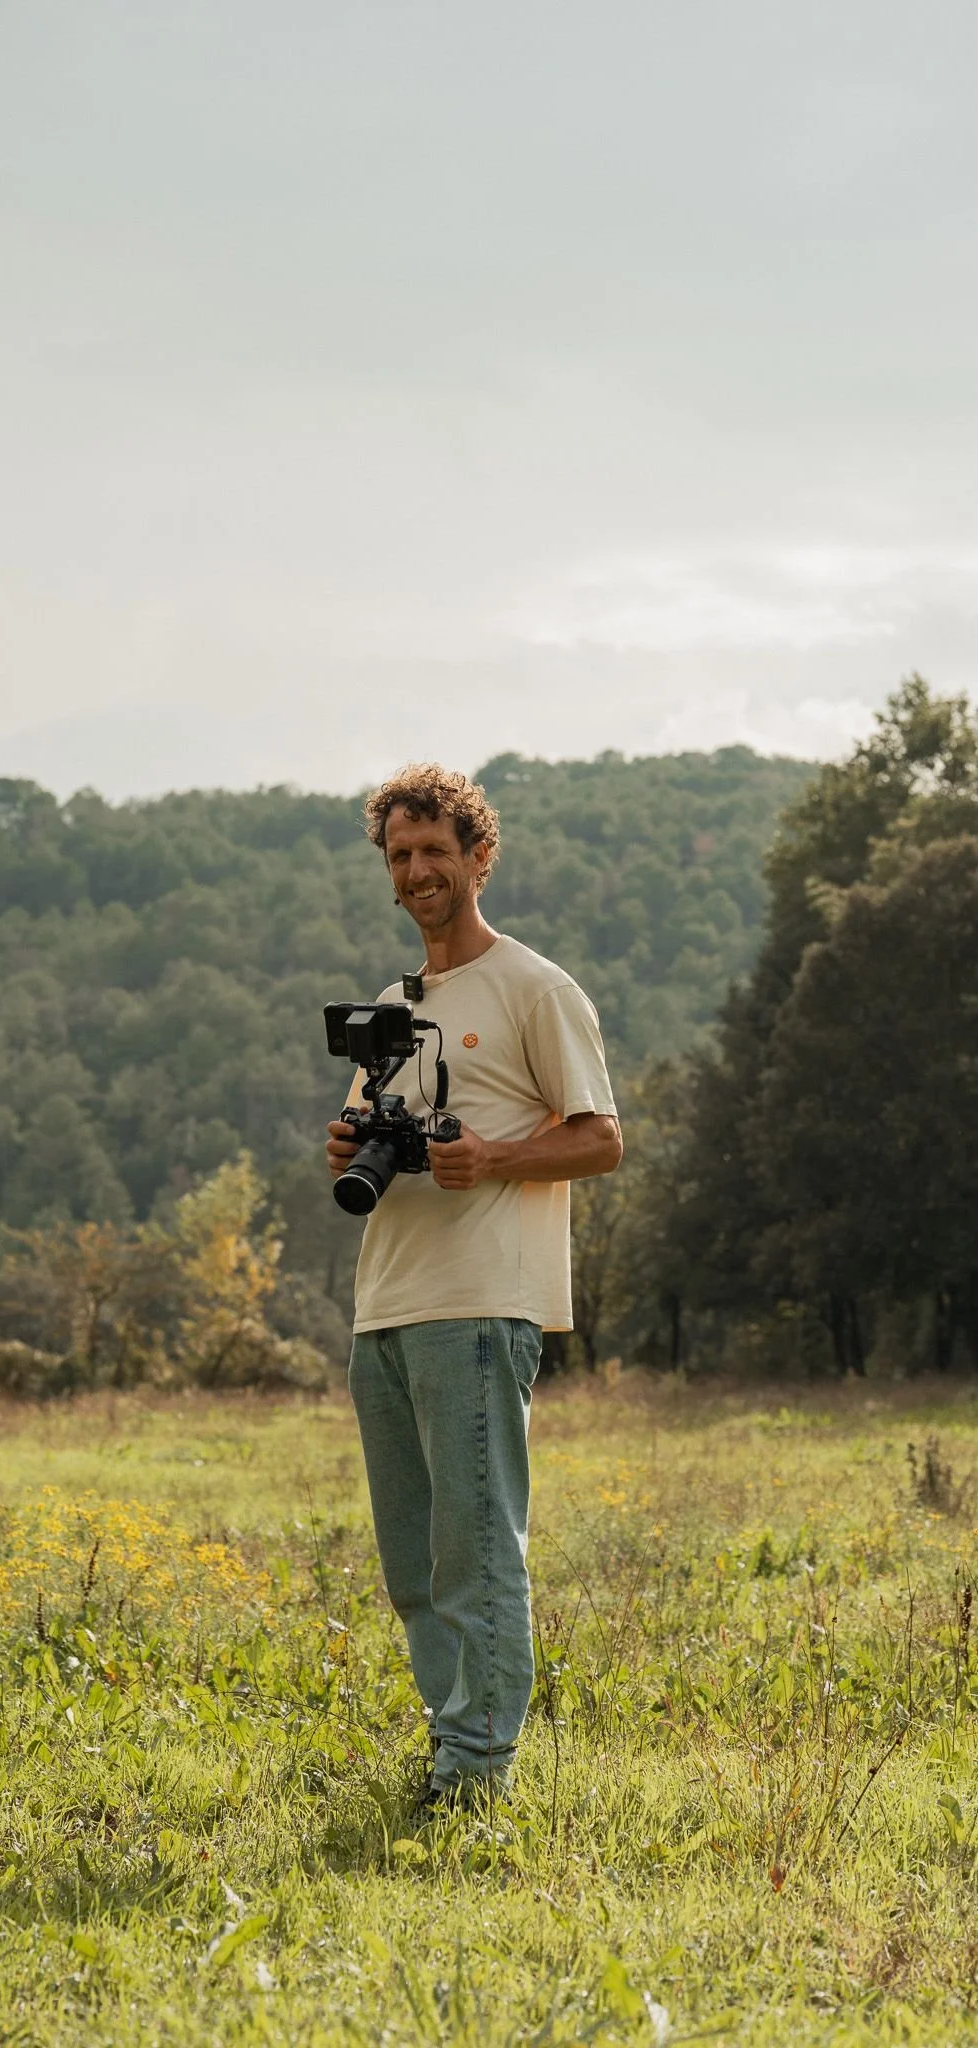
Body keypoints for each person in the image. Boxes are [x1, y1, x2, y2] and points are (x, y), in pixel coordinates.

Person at [327, 763, 622, 1808]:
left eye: (435, 852)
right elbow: (372, 1138)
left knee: (477, 1550)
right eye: (400, 856)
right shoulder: (392, 1006)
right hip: (387, 1308)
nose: (416, 872)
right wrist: (348, 1143)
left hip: (479, 1303)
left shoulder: (536, 988)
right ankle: (451, 1744)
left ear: (478, 856)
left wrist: (490, 1157)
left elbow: (601, 1138)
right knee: (414, 1562)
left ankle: (476, 1775)